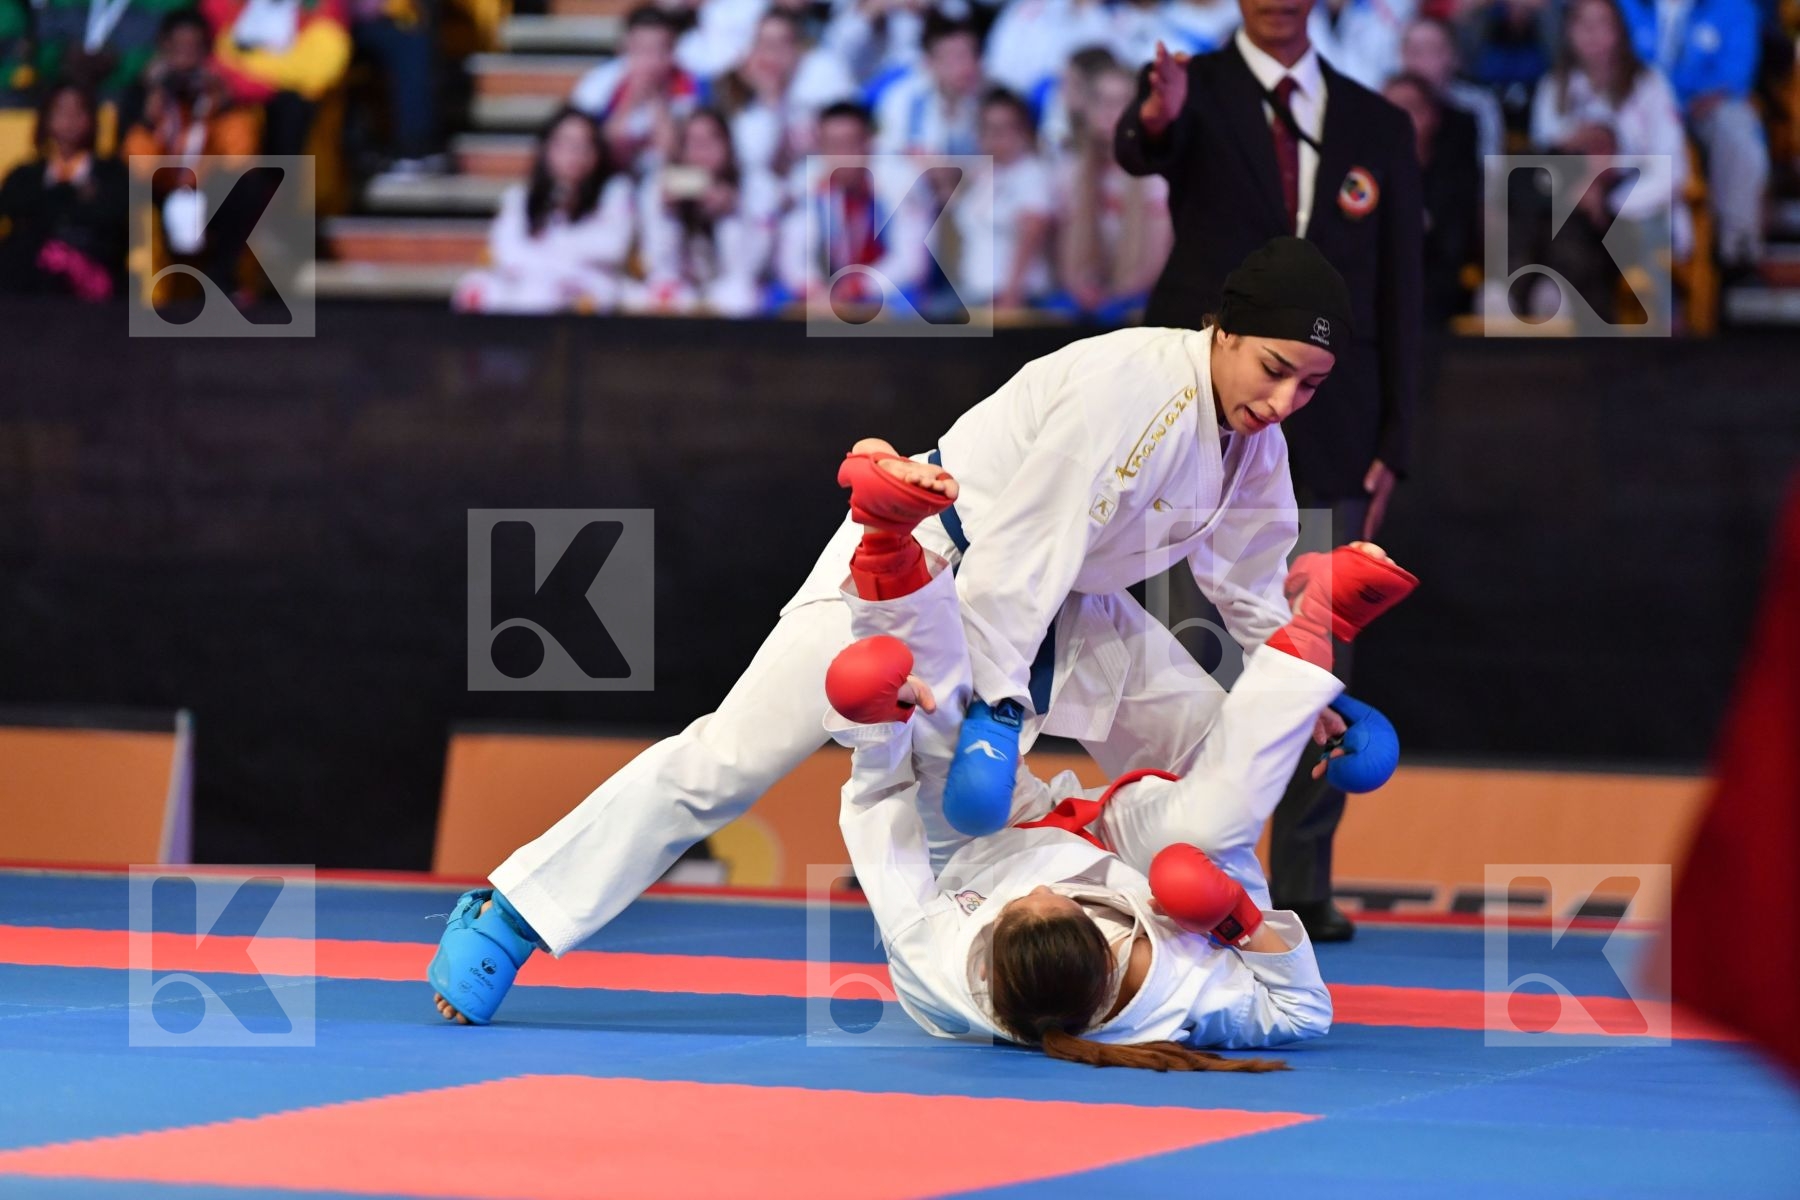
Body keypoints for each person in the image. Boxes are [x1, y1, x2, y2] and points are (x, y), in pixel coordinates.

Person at [426, 236, 1358, 1026]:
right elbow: (1022, 548)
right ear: (1223, 330)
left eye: (1312, 388)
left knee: (1214, 733)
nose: (1283, 402)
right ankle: (512, 911)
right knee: (728, 760)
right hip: (925, 563)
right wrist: (995, 704)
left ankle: (1202, 941)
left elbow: (1247, 576)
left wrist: (1292, 691)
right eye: (1274, 370)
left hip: (1064, 612)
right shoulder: (1133, 385)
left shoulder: (1254, 442)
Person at [816, 447, 1413, 1065]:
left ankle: (885, 537)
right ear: (1110, 956)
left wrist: (879, 726)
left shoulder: (937, 964)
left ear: (988, 950)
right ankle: (1318, 623)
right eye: (1059, 900)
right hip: (1121, 850)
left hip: (979, 850)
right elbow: (1304, 1013)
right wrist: (1237, 918)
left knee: (936, 743)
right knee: (1210, 824)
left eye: (1021, 903)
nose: (1047, 883)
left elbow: (882, 817)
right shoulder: (1175, 991)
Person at [1115, 0, 1421, 941]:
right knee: (1186, 634)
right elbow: (1142, 149)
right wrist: (1157, 118)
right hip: (1194, 408)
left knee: (1314, 638)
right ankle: (1187, 853)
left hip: (1327, 426)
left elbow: (1400, 287)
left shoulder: (1378, 123)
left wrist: (1394, 439)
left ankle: (1303, 880)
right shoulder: (1191, 90)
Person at [1517, 0, 1688, 319]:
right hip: (1568, 207)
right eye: (1583, 25)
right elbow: (1544, 163)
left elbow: (1672, 170)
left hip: (1634, 204)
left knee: (1624, 232)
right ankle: (1532, 299)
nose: (1592, 35)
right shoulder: (1553, 87)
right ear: (1568, 32)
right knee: (1535, 203)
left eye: (1602, 25)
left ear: (1620, 32)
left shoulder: (1650, 86)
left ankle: (1662, 334)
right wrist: (1581, 188)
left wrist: (1608, 198)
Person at [1617, 0, 1766, 277]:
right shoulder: (1625, 5)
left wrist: (1682, 98)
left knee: (1737, 128)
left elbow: (1736, 76)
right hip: (1638, 105)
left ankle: (1738, 249)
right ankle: (1608, 231)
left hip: (1705, 108)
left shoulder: (1734, 7)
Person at [452, 107, 634, 314]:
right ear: (547, 148)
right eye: (565, 144)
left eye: (584, 146)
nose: (574, 154)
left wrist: (550, 247)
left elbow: (612, 248)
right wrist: (556, 260)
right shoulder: (521, 197)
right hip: (529, 280)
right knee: (477, 287)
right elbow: (507, 252)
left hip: (588, 284)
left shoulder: (614, 192)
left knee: (544, 294)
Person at [1046, 50, 1173, 323]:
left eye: (1120, 102)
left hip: (1140, 297)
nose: (1109, 112)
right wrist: (1080, 288)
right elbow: (1065, 255)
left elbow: (1156, 263)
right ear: (1087, 108)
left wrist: (1116, 294)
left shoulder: (1157, 175)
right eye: (1101, 102)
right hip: (1088, 295)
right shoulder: (1070, 173)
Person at [632, 106, 780, 316]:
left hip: (735, 289)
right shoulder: (659, 186)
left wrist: (732, 213)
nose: (701, 151)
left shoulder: (756, 188)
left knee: (739, 297)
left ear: (728, 145)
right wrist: (668, 217)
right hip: (686, 290)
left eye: (710, 141)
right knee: (659, 295)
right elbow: (658, 267)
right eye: (693, 143)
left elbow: (748, 270)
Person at [0, 82, 127, 299]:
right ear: (46, 119)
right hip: (30, 274)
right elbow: (13, 211)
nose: (70, 120)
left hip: (91, 268)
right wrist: (71, 193)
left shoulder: (111, 173)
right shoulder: (25, 175)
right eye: (61, 111)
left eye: (78, 111)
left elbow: (115, 220)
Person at [950, 86, 1053, 311]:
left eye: (1003, 129)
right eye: (988, 128)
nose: (994, 137)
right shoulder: (981, 175)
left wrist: (1011, 294)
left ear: (1023, 131)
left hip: (1015, 297)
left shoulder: (1032, 174)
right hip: (974, 292)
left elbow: (1032, 233)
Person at [570, 4, 701, 176]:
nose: (651, 60)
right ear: (624, 48)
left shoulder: (689, 85)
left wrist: (657, 101)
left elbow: (676, 156)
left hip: (668, 180)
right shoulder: (598, 84)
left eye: (661, 49)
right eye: (642, 50)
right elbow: (594, 150)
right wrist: (630, 101)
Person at [1399, 15, 1503, 162]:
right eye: (1415, 51)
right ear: (1402, 57)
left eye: (1434, 50)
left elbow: (1491, 166)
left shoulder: (1478, 105)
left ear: (1454, 57)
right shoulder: (1386, 102)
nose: (1424, 61)